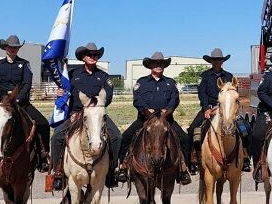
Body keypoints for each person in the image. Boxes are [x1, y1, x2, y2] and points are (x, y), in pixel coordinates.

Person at [49, 42, 121, 192]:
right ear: (83, 57)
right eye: (90, 55)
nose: (93, 57)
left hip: (96, 114)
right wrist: (60, 92)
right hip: (76, 114)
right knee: (56, 137)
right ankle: (58, 172)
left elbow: (108, 97)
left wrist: (94, 105)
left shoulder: (103, 76)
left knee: (116, 136)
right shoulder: (72, 74)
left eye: (95, 55)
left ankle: (112, 171)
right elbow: (64, 90)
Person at [115, 52, 192, 186]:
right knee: (125, 136)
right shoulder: (141, 82)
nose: (158, 65)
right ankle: (123, 166)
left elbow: (174, 100)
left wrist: (167, 111)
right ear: (150, 66)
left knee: (185, 139)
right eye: (155, 63)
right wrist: (146, 111)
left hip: (167, 120)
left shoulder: (170, 83)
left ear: (164, 66)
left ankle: (184, 170)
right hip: (145, 120)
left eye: (161, 63)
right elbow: (137, 100)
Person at [0, 35, 50, 172]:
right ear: (5, 48)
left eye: (15, 47)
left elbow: (27, 84)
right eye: (10, 47)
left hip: (19, 102)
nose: (13, 49)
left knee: (43, 124)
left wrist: (18, 98)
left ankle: (43, 156)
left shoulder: (25, 64)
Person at [187, 48, 249, 173]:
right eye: (214, 60)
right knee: (192, 129)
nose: (217, 62)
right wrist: (206, 108)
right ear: (211, 61)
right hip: (209, 107)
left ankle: (245, 157)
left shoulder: (229, 76)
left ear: (222, 61)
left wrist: (224, 107)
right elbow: (202, 93)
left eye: (219, 60)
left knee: (245, 129)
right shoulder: (205, 76)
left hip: (227, 109)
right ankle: (193, 160)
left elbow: (233, 95)